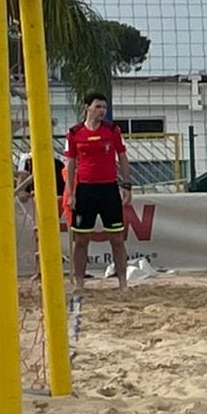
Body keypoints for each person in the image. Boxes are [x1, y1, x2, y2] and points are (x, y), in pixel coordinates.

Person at [66, 92, 132, 293]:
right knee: (81, 240)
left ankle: (123, 283)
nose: (101, 111)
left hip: (109, 188)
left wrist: (127, 185)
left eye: (104, 107)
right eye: (98, 107)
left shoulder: (112, 130)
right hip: (85, 189)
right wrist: (71, 192)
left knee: (117, 239)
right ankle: (79, 284)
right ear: (87, 107)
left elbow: (122, 157)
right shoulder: (75, 132)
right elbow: (70, 163)